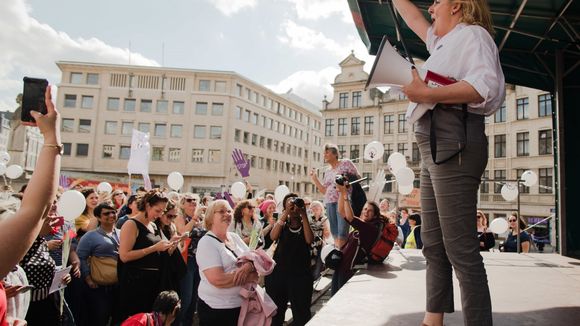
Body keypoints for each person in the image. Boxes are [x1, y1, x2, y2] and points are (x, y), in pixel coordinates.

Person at [393, 0, 505, 325]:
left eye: (437, 2)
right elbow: (411, 14)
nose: (430, 8)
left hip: (454, 138)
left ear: (457, 5)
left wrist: (426, 94)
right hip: (433, 141)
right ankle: (432, 319)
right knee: (434, 242)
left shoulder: (474, 35)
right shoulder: (442, 42)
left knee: (461, 250)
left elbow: (485, 86)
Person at [196, 199, 257, 326]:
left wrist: (249, 266)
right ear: (211, 217)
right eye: (222, 211)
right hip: (216, 310)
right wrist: (249, 275)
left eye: (229, 211)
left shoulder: (234, 237)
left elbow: (254, 259)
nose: (227, 214)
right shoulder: (206, 242)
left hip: (241, 306)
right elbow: (218, 280)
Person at [118, 190, 175, 320]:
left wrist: (170, 247)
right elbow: (124, 256)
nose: (160, 215)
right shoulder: (131, 224)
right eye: (157, 210)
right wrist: (154, 248)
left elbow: (157, 251)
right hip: (135, 282)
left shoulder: (153, 226)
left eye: (163, 211)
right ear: (148, 206)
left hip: (153, 281)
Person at [336, 184, 396, 294]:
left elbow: (349, 217)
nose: (365, 212)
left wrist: (345, 194)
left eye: (370, 211)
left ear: (375, 215)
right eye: (365, 209)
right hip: (342, 267)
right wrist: (340, 191)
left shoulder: (371, 229)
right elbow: (341, 211)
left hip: (349, 271)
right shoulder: (362, 225)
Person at [266, 193, 314, 326]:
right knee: (276, 314)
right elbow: (273, 236)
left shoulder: (305, 223)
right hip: (279, 275)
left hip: (300, 276)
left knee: (302, 314)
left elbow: (309, 239)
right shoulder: (282, 224)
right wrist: (286, 212)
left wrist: (303, 214)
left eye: (295, 204)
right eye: (289, 204)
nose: (293, 208)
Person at [76, 203, 120, 326]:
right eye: (106, 213)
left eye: (113, 212)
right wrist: (88, 278)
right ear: (98, 217)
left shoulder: (122, 233)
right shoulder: (90, 236)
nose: (111, 215)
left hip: (119, 285)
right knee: (99, 319)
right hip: (99, 287)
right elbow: (81, 257)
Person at [309, 143, 360, 249]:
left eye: (327, 153)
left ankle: (342, 254)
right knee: (335, 233)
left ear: (335, 154)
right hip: (329, 202)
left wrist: (346, 181)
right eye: (324, 153)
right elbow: (324, 191)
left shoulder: (346, 163)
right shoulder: (327, 171)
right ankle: (338, 251)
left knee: (342, 232)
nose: (324, 155)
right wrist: (315, 179)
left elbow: (357, 177)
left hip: (343, 201)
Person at [175, 194, 206, 326]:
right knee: (186, 299)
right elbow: (183, 233)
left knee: (195, 299)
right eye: (189, 200)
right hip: (186, 261)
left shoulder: (201, 218)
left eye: (195, 200)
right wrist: (193, 219)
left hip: (200, 262)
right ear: (182, 203)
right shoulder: (180, 217)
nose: (193, 202)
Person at [308, 200, 330, 280]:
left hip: (320, 246)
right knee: (309, 267)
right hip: (309, 246)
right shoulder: (309, 219)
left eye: (317, 207)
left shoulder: (324, 220)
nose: (315, 209)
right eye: (313, 207)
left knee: (317, 268)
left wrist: (325, 227)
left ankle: (314, 283)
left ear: (321, 209)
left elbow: (327, 236)